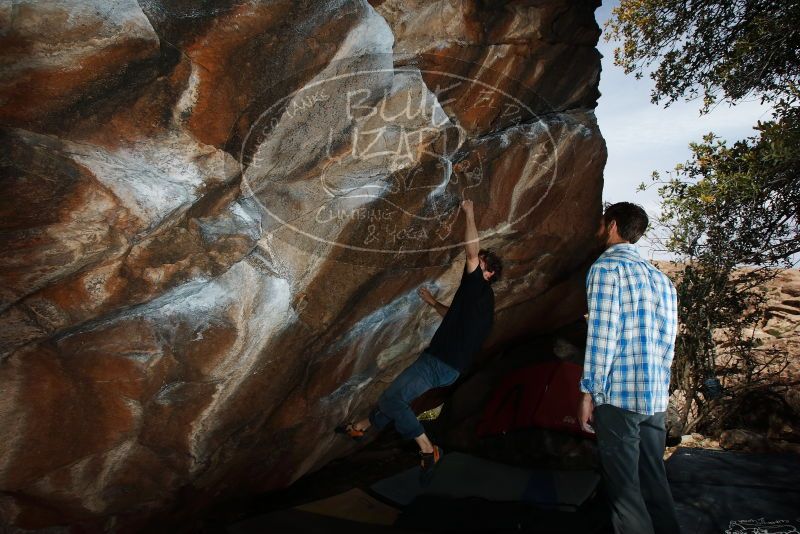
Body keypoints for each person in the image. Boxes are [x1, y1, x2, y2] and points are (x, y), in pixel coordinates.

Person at [336, 199, 502, 482]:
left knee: (392, 398)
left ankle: (427, 449)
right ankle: (360, 427)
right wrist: (431, 302)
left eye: (480, 264)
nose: (473, 264)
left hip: (439, 362)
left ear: (489, 274)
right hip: (448, 366)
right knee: (395, 400)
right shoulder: (480, 302)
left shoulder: (478, 287)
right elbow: (453, 317)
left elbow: (472, 251)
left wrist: (470, 213)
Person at [577, 202, 681, 534]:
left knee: (625, 495)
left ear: (612, 225)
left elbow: (603, 335)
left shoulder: (605, 269)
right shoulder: (661, 280)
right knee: (654, 484)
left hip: (619, 399)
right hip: (653, 400)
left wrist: (588, 392)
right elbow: (668, 346)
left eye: (601, 222)